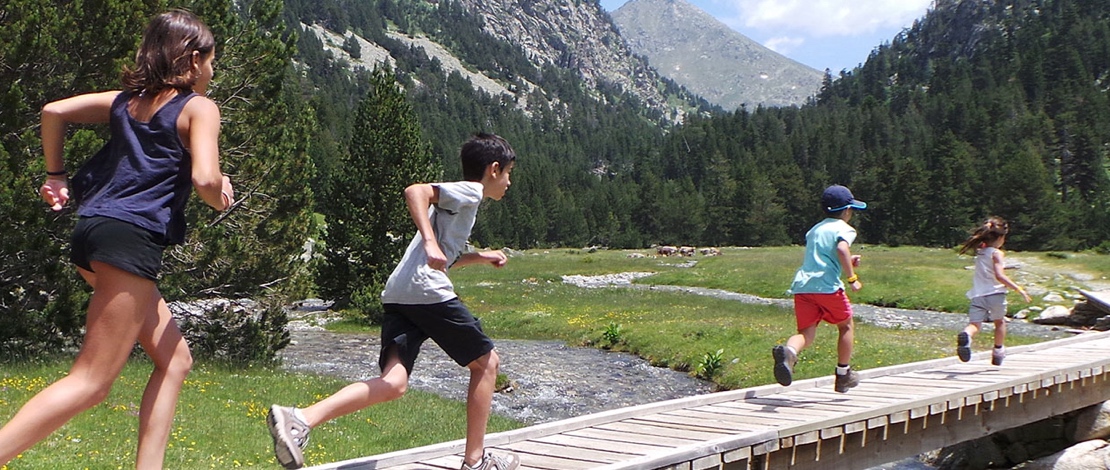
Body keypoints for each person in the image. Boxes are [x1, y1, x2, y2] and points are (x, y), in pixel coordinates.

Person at [0, 10, 233, 469]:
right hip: (129, 239)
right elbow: (206, 178)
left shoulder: (126, 101)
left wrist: (55, 175)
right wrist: (220, 194)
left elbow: (54, 111)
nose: (212, 71)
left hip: (93, 233)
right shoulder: (199, 107)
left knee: (175, 360)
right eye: (210, 61)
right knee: (91, 381)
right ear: (191, 60)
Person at [267, 133, 519, 470]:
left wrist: (481, 257)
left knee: (394, 383)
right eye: (508, 173)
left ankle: (299, 418)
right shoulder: (470, 191)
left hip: (401, 292)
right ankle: (476, 462)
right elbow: (416, 191)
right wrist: (429, 241)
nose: (509, 182)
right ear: (493, 169)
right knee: (487, 364)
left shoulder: (462, 204)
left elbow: (444, 259)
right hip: (427, 291)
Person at [773, 185, 866, 393]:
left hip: (803, 287)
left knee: (806, 333)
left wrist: (848, 261)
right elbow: (841, 248)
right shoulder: (844, 228)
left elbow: (823, 257)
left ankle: (789, 352)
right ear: (847, 211)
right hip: (827, 287)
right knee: (846, 326)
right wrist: (852, 277)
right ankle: (843, 375)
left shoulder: (814, 230)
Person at [956, 217, 1031, 366]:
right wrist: (1018, 289)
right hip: (996, 294)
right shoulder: (996, 253)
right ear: (1001, 238)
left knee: (975, 324)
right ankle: (998, 351)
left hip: (978, 295)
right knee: (1000, 322)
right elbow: (999, 275)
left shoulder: (981, 252)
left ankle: (967, 336)